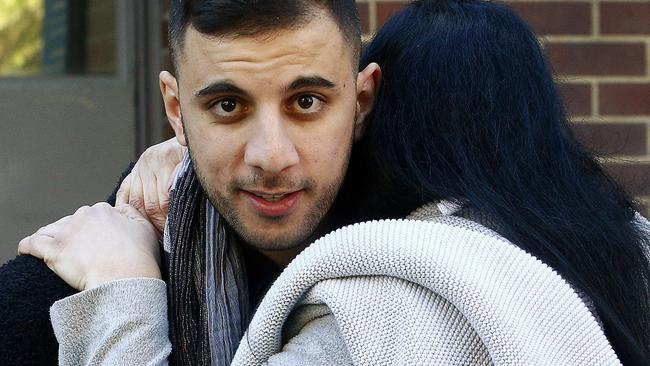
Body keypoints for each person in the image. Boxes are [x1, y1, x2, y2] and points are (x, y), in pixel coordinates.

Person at [11, 0, 650, 364]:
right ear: (177, 112)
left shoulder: (383, 305)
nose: (270, 155)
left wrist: (123, 294)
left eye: (308, 102)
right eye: (227, 106)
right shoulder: (41, 296)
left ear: (367, 105)